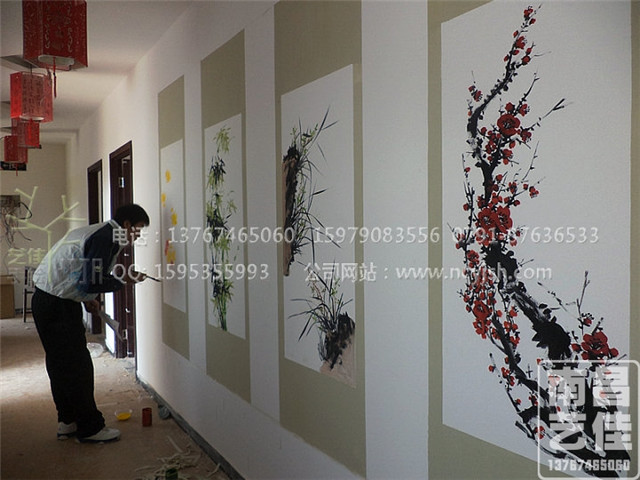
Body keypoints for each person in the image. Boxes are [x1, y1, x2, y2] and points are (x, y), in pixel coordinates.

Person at [31, 204, 150, 443]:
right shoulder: (106, 238)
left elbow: (79, 272)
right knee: (78, 367)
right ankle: (90, 428)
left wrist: (87, 299)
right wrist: (123, 279)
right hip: (58, 305)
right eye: (138, 229)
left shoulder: (101, 233)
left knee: (60, 364)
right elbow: (91, 281)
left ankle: (68, 422)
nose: (138, 236)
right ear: (126, 225)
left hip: (48, 300)